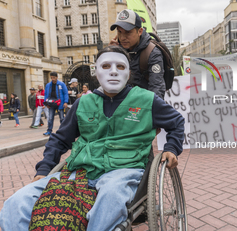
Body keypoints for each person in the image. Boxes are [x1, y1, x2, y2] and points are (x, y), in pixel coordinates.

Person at [0, 45, 185, 230]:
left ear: (129, 73)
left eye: (120, 67)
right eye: (106, 66)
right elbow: (60, 139)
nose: (113, 72)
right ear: (96, 72)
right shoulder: (83, 103)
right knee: (15, 204)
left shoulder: (147, 100)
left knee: (110, 200)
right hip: (80, 171)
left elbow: (176, 122)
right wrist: (44, 170)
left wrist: (171, 148)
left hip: (123, 170)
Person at [109, 9, 166, 99]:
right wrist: (109, 54)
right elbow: (105, 82)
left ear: (139, 31)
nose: (122, 37)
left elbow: (157, 88)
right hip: (120, 107)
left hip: (143, 106)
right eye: (119, 32)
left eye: (128, 32)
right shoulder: (116, 50)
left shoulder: (152, 52)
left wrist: (149, 110)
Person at [43, 72, 69, 136]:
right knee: (50, 118)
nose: (52, 79)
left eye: (54, 77)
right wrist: (46, 103)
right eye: (51, 78)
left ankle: (63, 131)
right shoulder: (48, 85)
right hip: (51, 103)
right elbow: (46, 95)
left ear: (57, 77)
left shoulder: (62, 84)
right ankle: (49, 131)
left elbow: (65, 93)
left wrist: (65, 102)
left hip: (60, 103)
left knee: (62, 118)